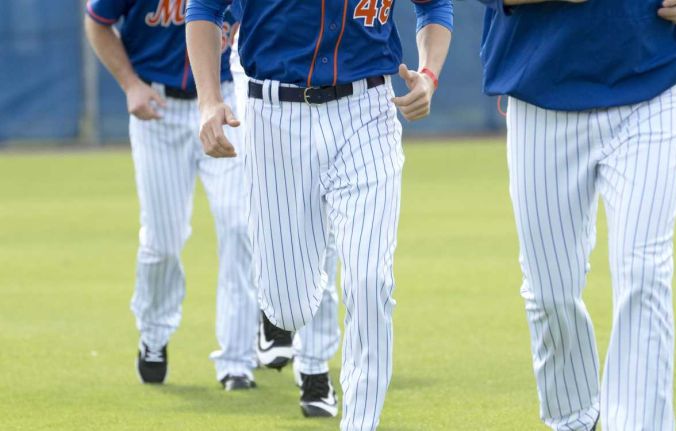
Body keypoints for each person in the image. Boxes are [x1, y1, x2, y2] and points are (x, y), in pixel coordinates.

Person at [184, 0, 453, 429]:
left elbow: (435, 7)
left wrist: (430, 73)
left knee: (371, 282)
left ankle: (361, 421)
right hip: (274, 114)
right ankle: (281, 305)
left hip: (367, 109)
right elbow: (204, 8)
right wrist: (208, 101)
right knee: (288, 309)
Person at [473, 0, 676, 429]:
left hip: (652, 83)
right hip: (541, 92)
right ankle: (575, 418)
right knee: (549, 293)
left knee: (644, 273)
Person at [84, 0, 257, 391]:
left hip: (225, 102)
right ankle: (154, 336)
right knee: (162, 242)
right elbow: (97, 22)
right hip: (158, 110)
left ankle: (237, 360)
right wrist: (130, 84)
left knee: (239, 227)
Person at [226, 1, 343, 417]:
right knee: (269, 207)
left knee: (327, 225)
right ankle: (272, 305)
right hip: (259, 66)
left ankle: (314, 369)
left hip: (333, 73)